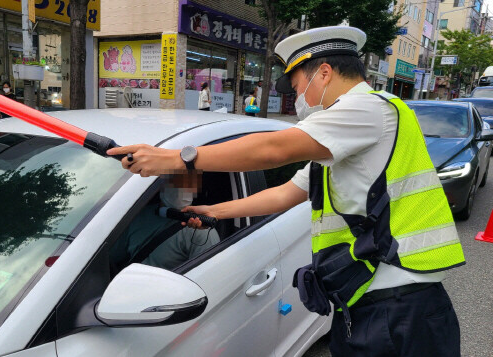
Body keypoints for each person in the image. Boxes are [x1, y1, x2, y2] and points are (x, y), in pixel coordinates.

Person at [108, 26, 465, 357]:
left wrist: (178, 159)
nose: (297, 98)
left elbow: (274, 149)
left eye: (296, 86)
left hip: (401, 303)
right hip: (371, 299)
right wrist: (213, 211)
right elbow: (284, 193)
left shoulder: (369, 108)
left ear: (324, 73)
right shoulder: (341, 142)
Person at [109, 172, 219, 272]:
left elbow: (207, 275)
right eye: (177, 180)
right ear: (162, 183)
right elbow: (108, 259)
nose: (184, 188)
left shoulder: (201, 230)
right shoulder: (136, 215)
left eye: (189, 182)